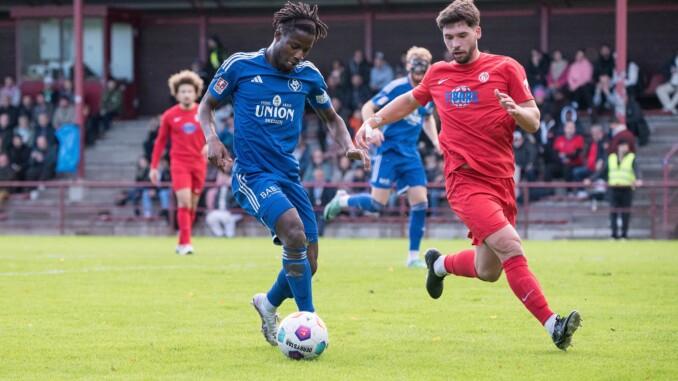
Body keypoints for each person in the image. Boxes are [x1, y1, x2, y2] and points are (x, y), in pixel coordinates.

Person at [352, 0, 580, 351]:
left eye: (461, 35)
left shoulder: (506, 68)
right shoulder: (438, 74)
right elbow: (411, 101)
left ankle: (439, 264)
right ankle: (554, 325)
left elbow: (533, 121)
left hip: (502, 181)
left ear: (477, 32)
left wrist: (517, 111)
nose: (455, 43)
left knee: (489, 270)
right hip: (464, 180)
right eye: (448, 37)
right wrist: (373, 120)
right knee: (511, 246)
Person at [197, 1, 370, 347]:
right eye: (294, 46)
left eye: (306, 50)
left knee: (311, 262)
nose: (299, 55)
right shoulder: (240, 66)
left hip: (288, 175)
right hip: (252, 173)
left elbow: (332, 118)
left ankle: (268, 303)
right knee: (293, 233)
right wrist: (212, 138)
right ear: (278, 34)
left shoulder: (308, 75)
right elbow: (206, 106)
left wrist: (348, 144)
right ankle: (309, 323)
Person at [324, 46, 440, 268]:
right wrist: (374, 129)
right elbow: (369, 106)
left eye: (422, 65)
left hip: (411, 154)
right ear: (408, 66)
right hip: (388, 151)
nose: (418, 69)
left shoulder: (428, 91)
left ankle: (413, 258)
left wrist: (435, 141)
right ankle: (342, 200)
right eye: (414, 64)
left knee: (421, 203)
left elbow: (427, 118)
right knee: (377, 204)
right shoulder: (397, 87)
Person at [150, 70, 207, 255]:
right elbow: (160, 142)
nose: (186, 94)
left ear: (196, 92)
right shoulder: (169, 115)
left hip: (199, 163)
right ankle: (186, 243)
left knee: (192, 205)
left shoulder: (203, 112)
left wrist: (209, 146)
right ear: (176, 93)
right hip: (179, 163)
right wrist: (154, 166)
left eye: (189, 91)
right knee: (184, 200)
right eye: (182, 91)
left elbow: (212, 134)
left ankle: (182, 241)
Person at [585, 139, 642, 240]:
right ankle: (614, 234)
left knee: (625, 212)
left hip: (626, 188)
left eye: (626, 146)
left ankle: (624, 235)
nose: (625, 148)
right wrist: (590, 179)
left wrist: (639, 179)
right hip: (614, 188)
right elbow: (602, 172)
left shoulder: (631, 158)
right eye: (623, 146)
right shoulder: (611, 158)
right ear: (618, 147)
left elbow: (636, 170)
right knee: (613, 212)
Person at [205, 163, 242, 238]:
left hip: (231, 211)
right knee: (210, 217)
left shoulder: (234, 189)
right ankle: (220, 234)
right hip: (219, 210)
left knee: (227, 218)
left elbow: (236, 203)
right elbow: (215, 202)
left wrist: (230, 210)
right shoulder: (218, 189)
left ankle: (230, 235)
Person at [655, 49, 678, 115]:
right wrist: (670, 71)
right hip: (673, 83)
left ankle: (669, 107)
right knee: (660, 90)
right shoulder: (672, 60)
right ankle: (672, 110)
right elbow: (664, 70)